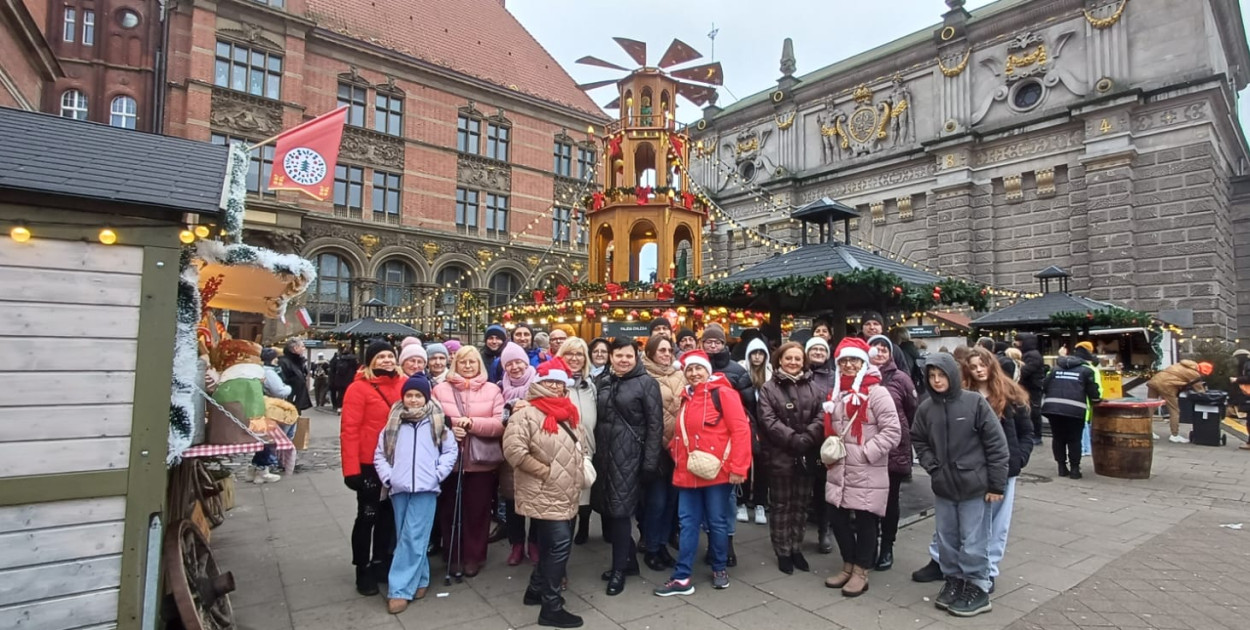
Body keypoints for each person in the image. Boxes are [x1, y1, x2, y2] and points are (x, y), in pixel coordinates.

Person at [911, 353, 1008, 618]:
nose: (936, 380)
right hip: (944, 486)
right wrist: (932, 465)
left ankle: (978, 586)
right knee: (947, 538)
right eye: (931, 376)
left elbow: (997, 447)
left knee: (975, 540)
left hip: (974, 486)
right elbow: (918, 439)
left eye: (941, 375)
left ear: (952, 375)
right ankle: (954, 580)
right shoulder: (926, 408)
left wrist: (996, 486)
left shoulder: (974, 403)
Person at [655, 350, 752, 596]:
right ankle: (682, 576)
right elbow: (680, 435)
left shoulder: (724, 393)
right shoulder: (685, 397)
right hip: (688, 472)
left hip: (717, 472)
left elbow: (740, 430)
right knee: (688, 524)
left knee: (717, 522)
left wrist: (739, 468)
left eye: (698, 368)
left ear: (708, 370)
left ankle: (719, 568)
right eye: (689, 370)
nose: (694, 373)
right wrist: (677, 457)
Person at [506, 358, 591, 628]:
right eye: (549, 382)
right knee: (559, 545)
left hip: (566, 489)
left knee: (551, 544)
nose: (555, 386)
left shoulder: (568, 410)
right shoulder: (526, 412)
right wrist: (546, 472)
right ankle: (550, 607)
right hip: (544, 488)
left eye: (559, 382)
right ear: (539, 383)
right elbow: (514, 451)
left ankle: (534, 590)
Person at [821, 338, 901, 597]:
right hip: (839, 469)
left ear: (864, 362)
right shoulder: (836, 393)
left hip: (866, 469)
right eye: (843, 361)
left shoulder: (877, 392)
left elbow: (892, 431)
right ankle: (847, 564)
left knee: (866, 520)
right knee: (838, 518)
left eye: (854, 360)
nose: (848, 365)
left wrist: (866, 453)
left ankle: (861, 571)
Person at [374, 374, 458, 614]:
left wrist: (438, 473)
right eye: (409, 395)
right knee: (406, 535)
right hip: (399, 486)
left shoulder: (437, 421)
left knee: (414, 536)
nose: (413, 400)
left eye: (418, 395)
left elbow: (450, 451)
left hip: (426, 487)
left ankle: (399, 589)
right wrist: (389, 477)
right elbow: (380, 453)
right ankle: (421, 578)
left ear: (426, 397)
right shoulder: (394, 421)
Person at [593, 337, 663, 596]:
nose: (623, 360)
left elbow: (656, 426)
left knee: (621, 514)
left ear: (636, 358)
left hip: (630, 457)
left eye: (628, 356)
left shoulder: (647, 383)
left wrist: (650, 463)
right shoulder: (604, 381)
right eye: (618, 355)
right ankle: (629, 560)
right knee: (609, 510)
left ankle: (619, 569)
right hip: (605, 455)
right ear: (611, 357)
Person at [431, 346, 505, 578]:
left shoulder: (493, 390)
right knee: (449, 510)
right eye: (463, 361)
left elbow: (499, 424)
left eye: (472, 362)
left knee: (478, 511)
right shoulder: (440, 389)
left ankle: (474, 556)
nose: (468, 366)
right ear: (455, 363)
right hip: (450, 461)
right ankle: (453, 554)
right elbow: (432, 421)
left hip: (481, 462)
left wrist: (471, 423)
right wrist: (450, 429)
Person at [340, 340, 405, 596]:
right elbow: (349, 429)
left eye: (390, 356)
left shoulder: (402, 384)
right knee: (368, 515)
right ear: (371, 361)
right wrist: (351, 469)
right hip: (368, 463)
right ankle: (362, 568)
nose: (387, 360)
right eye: (381, 357)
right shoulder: (358, 389)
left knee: (388, 516)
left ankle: (380, 561)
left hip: (396, 461)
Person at [756, 342, 824, 574]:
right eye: (788, 358)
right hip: (780, 454)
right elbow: (768, 420)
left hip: (806, 454)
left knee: (801, 504)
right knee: (781, 505)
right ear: (779, 360)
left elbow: (823, 415)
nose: (793, 362)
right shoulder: (768, 388)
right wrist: (794, 439)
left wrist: (808, 438)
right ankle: (782, 550)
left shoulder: (814, 387)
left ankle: (797, 547)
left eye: (797, 359)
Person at [699, 323, 753, 566]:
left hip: (726, 443)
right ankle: (712, 541)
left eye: (717, 342)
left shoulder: (736, 371)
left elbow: (749, 404)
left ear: (723, 344)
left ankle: (727, 542)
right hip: (702, 442)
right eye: (708, 342)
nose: (712, 346)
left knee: (727, 498)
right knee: (703, 496)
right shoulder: (695, 368)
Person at [866, 335, 917, 572]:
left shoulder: (901, 379)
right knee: (868, 501)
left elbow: (911, 410)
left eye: (884, 349)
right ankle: (870, 544)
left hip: (894, 449)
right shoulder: (861, 378)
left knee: (890, 501)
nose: (879, 352)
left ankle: (887, 545)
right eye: (875, 348)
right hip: (867, 450)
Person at [640, 334, 684, 571]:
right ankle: (651, 548)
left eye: (669, 350)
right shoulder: (644, 376)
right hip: (656, 448)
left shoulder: (680, 374)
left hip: (678, 450)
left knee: (671, 502)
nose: (666, 354)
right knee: (656, 502)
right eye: (661, 351)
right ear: (651, 353)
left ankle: (662, 544)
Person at [555, 337, 600, 543]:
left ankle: (583, 528)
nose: (574, 358)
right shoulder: (555, 385)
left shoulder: (590, 386)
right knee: (564, 505)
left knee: (586, 495)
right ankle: (560, 552)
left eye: (579, 354)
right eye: (569, 353)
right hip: (563, 453)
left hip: (588, 449)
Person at [499, 342, 539, 566]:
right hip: (509, 452)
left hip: (535, 449)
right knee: (512, 499)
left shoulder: (538, 382)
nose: (515, 367)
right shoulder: (499, 386)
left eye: (518, 362)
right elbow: (498, 418)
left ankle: (534, 543)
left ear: (526, 362)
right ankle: (516, 545)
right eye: (509, 363)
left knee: (535, 499)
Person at [1042, 350, 1102, 478]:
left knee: (1058, 438)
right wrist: (1097, 400)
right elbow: (1093, 392)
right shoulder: (1086, 371)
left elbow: (1045, 386)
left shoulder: (1054, 370)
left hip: (1053, 408)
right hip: (1075, 409)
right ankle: (1075, 469)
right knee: (1074, 439)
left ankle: (1061, 467)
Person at [804, 335, 834, 554]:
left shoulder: (834, 377)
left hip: (826, 438)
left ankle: (825, 531)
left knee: (824, 487)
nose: (817, 352)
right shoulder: (800, 375)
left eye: (821, 350)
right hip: (802, 437)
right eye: (813, 349)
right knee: (803, 486)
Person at [737, 337, 772, 525]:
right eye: (754, 353)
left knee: (763, 466)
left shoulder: (772, 374)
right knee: (744, 464)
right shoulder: (741, 372)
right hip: (745, 424)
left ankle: (760, 503)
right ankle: (741, 502)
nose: (757, 357)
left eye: (761, 353)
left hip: (766, 427)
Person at [1147, 359, 1205, 444]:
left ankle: (1146, 431)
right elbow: (1200, 390)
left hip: (1154, 381)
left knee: (1150, 407)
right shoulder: (1194, 373)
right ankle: (1174, 435)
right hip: (1166, 386)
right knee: (1174, 410)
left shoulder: (1180, 365)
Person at [1015, 333, 1046, 446]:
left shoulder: (1032, 355)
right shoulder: (1028, 354)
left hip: (1032, 387)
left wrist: (1016, 370)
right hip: (1028, 386)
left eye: (1019, 341)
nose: (1017, 344)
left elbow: (1026, 371)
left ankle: (1037, 435)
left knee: (1034, 411)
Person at [278, 338, 313, 413]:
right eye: (302, 346)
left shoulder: (298, 362)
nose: (304, 349)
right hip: (288, 400)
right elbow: (282, 381)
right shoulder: (284, 362)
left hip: (296, 400)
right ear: (295, 348)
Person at [329, 345, 359, 413]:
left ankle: (339, 407)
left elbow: (333, 369)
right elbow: (356, 368)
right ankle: (349, 407)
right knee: (350, 394)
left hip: (340, 380)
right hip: (350, 380)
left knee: (340, 394)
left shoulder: (339, 359)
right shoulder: (353, 359)